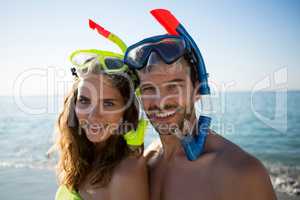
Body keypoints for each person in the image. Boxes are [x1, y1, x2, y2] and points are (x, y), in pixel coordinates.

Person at [124, 33, 277, 199]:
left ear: (198, 91)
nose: (160, 102)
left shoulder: (241, 173)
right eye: (148, 89)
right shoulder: (149, 157)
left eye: (173, 87)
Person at [55, 20, 149, 200]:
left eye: (108, 103)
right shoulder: (80, 157)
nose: (93, 115)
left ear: (126, 112)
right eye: (84, 100)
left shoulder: (126, 173)